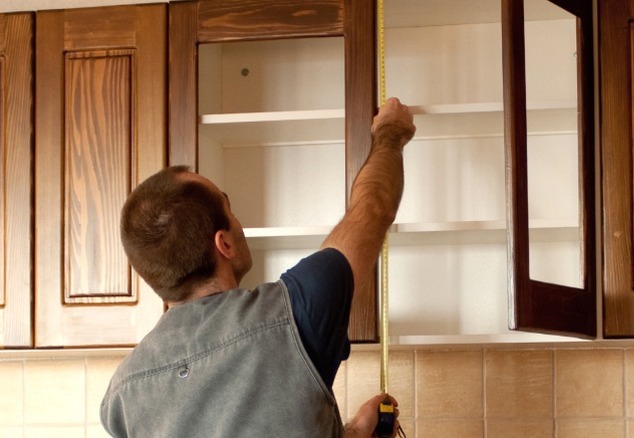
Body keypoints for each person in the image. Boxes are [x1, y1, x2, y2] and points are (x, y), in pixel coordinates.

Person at [100, 97, 416, 438]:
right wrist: (390, 134)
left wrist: (353, 432)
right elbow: (372, 210)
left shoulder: (121, 396)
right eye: (229, 206)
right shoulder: (293, 316)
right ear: (224, 244)